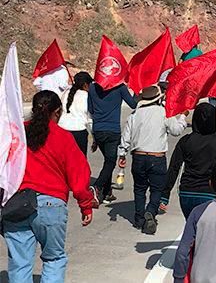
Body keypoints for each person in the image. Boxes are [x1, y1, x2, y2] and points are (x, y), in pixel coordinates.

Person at [3, 91, 94, 283]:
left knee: (20, 263)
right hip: (51, 205)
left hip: (16, 204)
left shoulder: (15, 135)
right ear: (58, 112)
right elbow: (78, 175)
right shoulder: (63, 137)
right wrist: (86, 204)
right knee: (54, 258)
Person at [117, 86, 187, 234]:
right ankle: (150, 211)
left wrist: (122, 154)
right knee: (157, 189)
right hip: (157, 157)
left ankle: (139, 219)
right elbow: (176, 130)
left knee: (139, 188)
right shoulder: (163, 113)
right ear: (158, 98)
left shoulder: (134, 115)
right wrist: (182, 116)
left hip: (138, 156)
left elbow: (126, 137)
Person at [161, 103, 216, 219]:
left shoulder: (185, 141)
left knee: (192, 227)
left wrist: (164, 195)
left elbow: (174, 168)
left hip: (187, 193)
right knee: (206, 231)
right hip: (209, 193)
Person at [88, 82, 137, 206]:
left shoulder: (93, 87)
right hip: (112, 131)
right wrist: (137, 93)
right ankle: (97, 186)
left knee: (107, 161)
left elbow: (90, 109)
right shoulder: (120, 87)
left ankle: (107, 192)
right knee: (110, 162)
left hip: (98, 130)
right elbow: (133, 104)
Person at [59, 71, 94, 155]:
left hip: (62, 130)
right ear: (85, 84)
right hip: (78, 132)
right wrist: (94, 137)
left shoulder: (65, 92)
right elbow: (90, 119)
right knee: (79, 162)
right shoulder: (86, 96)